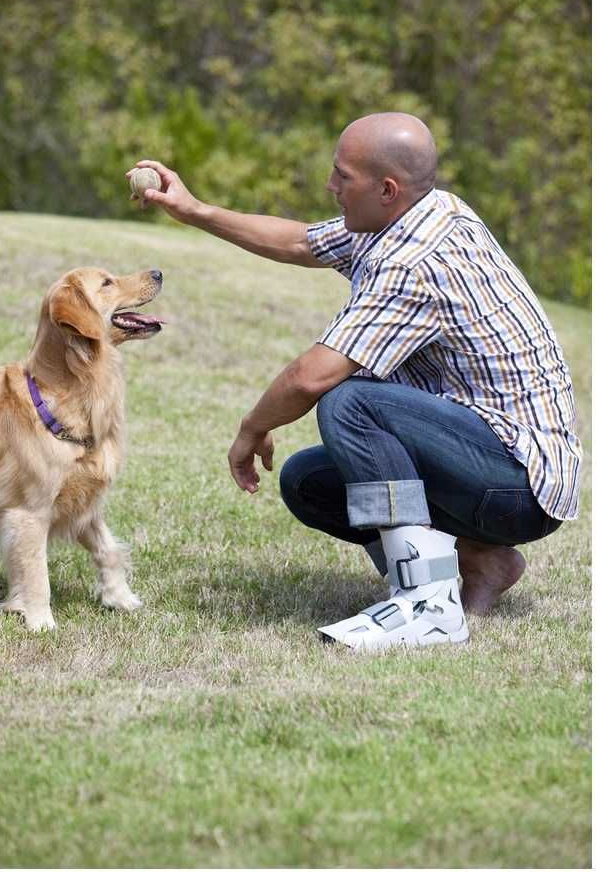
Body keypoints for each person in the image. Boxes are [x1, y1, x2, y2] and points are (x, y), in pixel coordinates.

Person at [126, 112, 582, 651]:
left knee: (350, 402)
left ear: (386, 189)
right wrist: (195, 210)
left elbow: (311, 375)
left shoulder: (416, 260)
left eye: (343, 176)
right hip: (485, 459)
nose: (330, 186)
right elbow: (300, 242)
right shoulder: (417, 212)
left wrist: (251, 428)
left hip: (517, 481)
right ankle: (482, 562)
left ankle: (427, 606)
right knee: (308, 482)